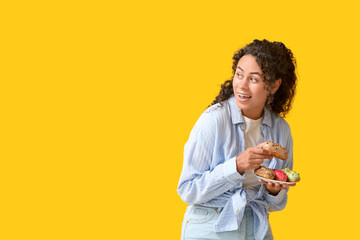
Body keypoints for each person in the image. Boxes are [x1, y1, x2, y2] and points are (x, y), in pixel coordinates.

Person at [177, 39, 298, 240]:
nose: (241, 85)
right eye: (239, 75)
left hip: (257, 225)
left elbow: (276, 205)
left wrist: (273, 191)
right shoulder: (214, 119)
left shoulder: (280, 130)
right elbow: (187, 190)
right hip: (210, 224)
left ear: (274, 85)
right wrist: (236, 166)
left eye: (253, 79)